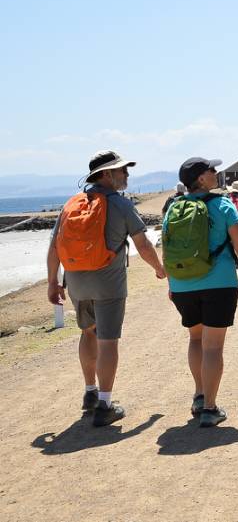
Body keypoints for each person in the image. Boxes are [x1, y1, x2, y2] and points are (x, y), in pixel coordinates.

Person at [46, 150, 166, 427]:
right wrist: (159, 269)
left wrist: (53, 281)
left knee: (88, 333)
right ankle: (105, 403)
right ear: (106, 175)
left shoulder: (71, 205)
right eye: (122, 170)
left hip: (76, 281)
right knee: (108, 339)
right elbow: (143, 245)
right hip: (108, 284)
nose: (126, 175)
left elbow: (54, 248)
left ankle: (89, 393)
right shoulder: (120, 205)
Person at [163, 157, 238, 427]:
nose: (217, 173)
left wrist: (171, 284)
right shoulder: (223, 204)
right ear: (202, 179)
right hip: (219, 284)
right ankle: (209, 408)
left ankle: (198, 394)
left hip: (183, 285)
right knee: (213, 346)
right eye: (211, 170)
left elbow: (167, 250)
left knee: (196, 339)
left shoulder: (173, 208)